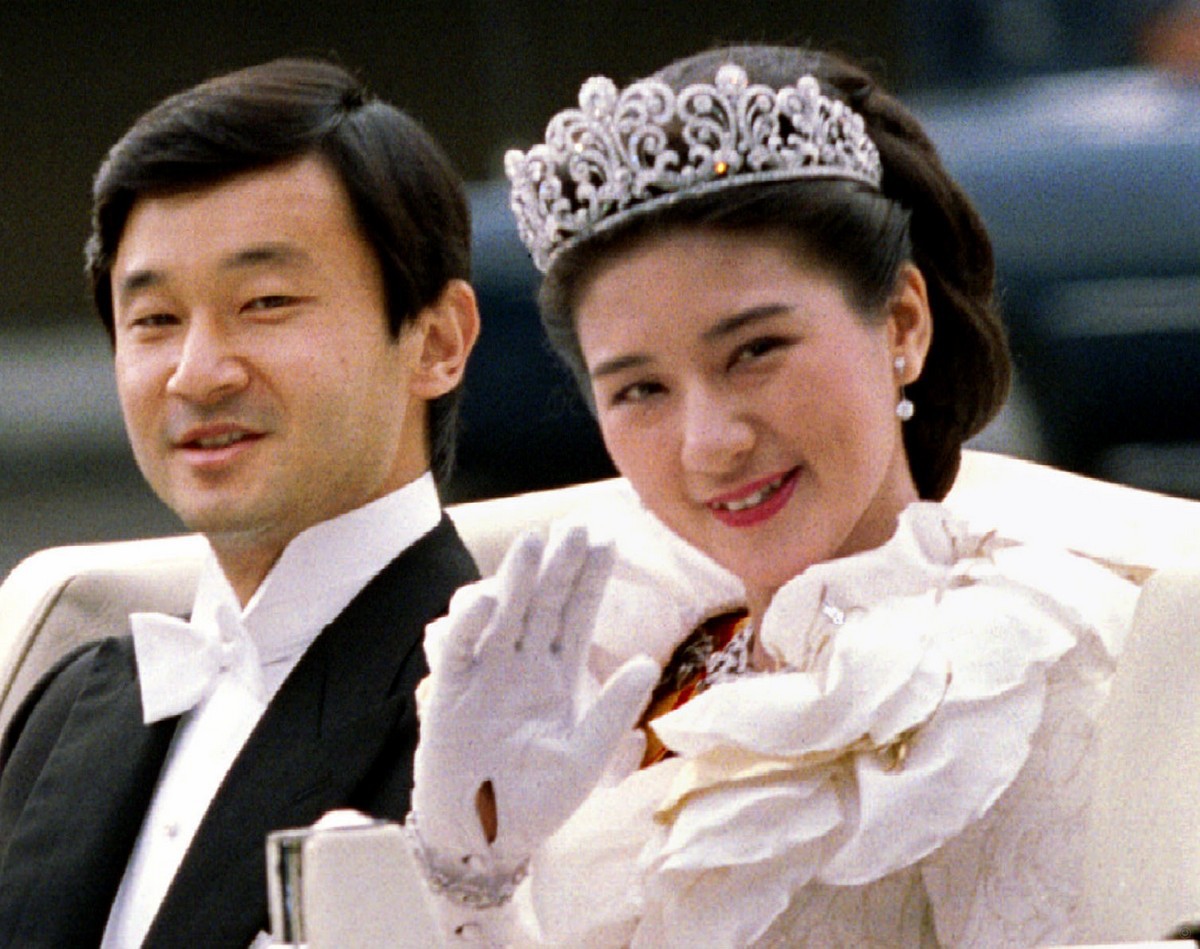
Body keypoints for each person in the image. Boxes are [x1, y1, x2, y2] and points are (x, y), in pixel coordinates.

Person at [404, 45, 1140, 946]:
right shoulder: (633, 653)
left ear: (903, 325)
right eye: (640, 389)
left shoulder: (1014, 672)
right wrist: (475, 878)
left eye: (755, 351)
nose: (708, 442)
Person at [0, 58, 481, 947]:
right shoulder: (70, 705)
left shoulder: (495, 709)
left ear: (436, 342)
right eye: (154, 319)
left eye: (264, 302)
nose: (196, 373)